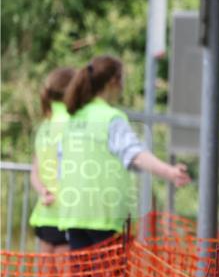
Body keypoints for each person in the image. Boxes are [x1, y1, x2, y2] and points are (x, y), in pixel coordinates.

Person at [59, 55, 191, 249]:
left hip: (73, 213)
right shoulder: (111, 118)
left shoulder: (73, 118)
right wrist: (169, 172)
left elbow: (61, 165)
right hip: (103, 215)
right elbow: (136, 155)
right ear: (114, 81)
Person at [29, 67, 75, 253]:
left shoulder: (44, 126)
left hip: (44, 213)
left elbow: (35, 172)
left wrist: (43, 192)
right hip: (66, 215)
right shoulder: (74, 124)